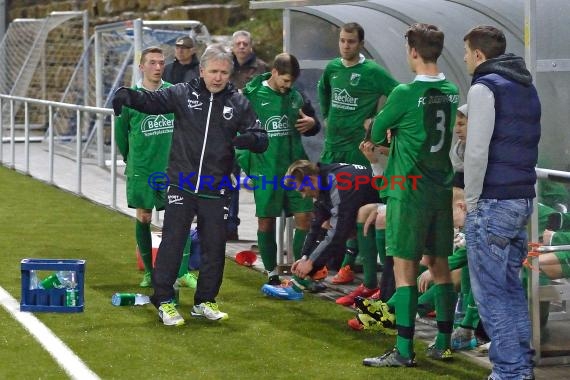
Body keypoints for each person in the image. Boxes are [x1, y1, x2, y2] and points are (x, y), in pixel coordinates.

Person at [112, 44, 269, 326]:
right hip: (182, 183)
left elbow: (261, 136)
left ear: (230, 74)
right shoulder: (182, 93)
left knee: (213, 246)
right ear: (202, 70)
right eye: (213, 71)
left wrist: (250, 140)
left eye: (223, 72)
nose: (218, 77)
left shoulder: (239, 102)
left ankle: (205, 301)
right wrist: (128, 95)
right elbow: (151, 101)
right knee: (173, 243)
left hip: (215, 186)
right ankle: (165, 302)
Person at [362, 23, 459, 368]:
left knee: (404, 271)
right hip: (439, 190)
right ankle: (444, 343)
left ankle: (403, 350)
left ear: (413, 52)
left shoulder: (404, 93)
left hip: (409, 190)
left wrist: (389, 134)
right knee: (440, 265)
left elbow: (375, 132)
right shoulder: (451, 91)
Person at [462, 25, 541, 379]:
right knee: (509, 290)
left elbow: (477, 151)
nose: (465, 59)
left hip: (493, 202)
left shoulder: (484, 87)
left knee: (492, 295)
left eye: (466, 52)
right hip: (521, 199)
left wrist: (472, 201)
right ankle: (521, 368)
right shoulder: (526, 86)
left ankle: (510, 372)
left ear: (479, 55)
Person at [318, 22, 399, 283]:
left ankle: (347, 264)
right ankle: (327, 261)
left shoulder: (372, 71)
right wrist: (327, 116)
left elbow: (397, 94)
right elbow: (324, 91)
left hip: (356, 150)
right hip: (333, 147)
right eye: (342, 40)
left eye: (351, 41)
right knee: (328, 205)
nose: (345, 46)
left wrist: (376, 120)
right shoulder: (332, 68)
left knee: (353, 206)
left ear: (361, 43)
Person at [114, 46, 197, 290]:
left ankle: (182, 272)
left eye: (161, 63)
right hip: (143, 167)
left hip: (174, 167)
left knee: (181, 218)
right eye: (152, 63)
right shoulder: (131, 97)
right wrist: (134, 160)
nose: (158, 67)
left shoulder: (174, 93)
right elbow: (121, 135)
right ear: (141, 66)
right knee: (145, 217)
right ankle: (150, 272)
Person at [240, 53, 319, 287]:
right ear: (274, 72)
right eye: (285, 80)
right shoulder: (251, 95)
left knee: (305, 218)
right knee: (266, 221)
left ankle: (300, 274)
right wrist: (249, 163)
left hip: (296, 171)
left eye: (291, 82)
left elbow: (312, 125)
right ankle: (271, 272)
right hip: (266, 170)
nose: (288, 86)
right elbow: (235, 131)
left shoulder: (296, 96)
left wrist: (312, 125)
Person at [261, 160, 380, 300]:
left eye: (302, 190)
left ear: (310, 180)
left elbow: (338, 233)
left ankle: (375, 288)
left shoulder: (339, 183)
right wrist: (305, 257)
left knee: (347, 223)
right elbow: (316, 225)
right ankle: (298, 283)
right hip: (373, 204)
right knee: (327, 224)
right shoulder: (324, 177)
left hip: (391, 208)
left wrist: (312, 262)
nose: (304, 195)